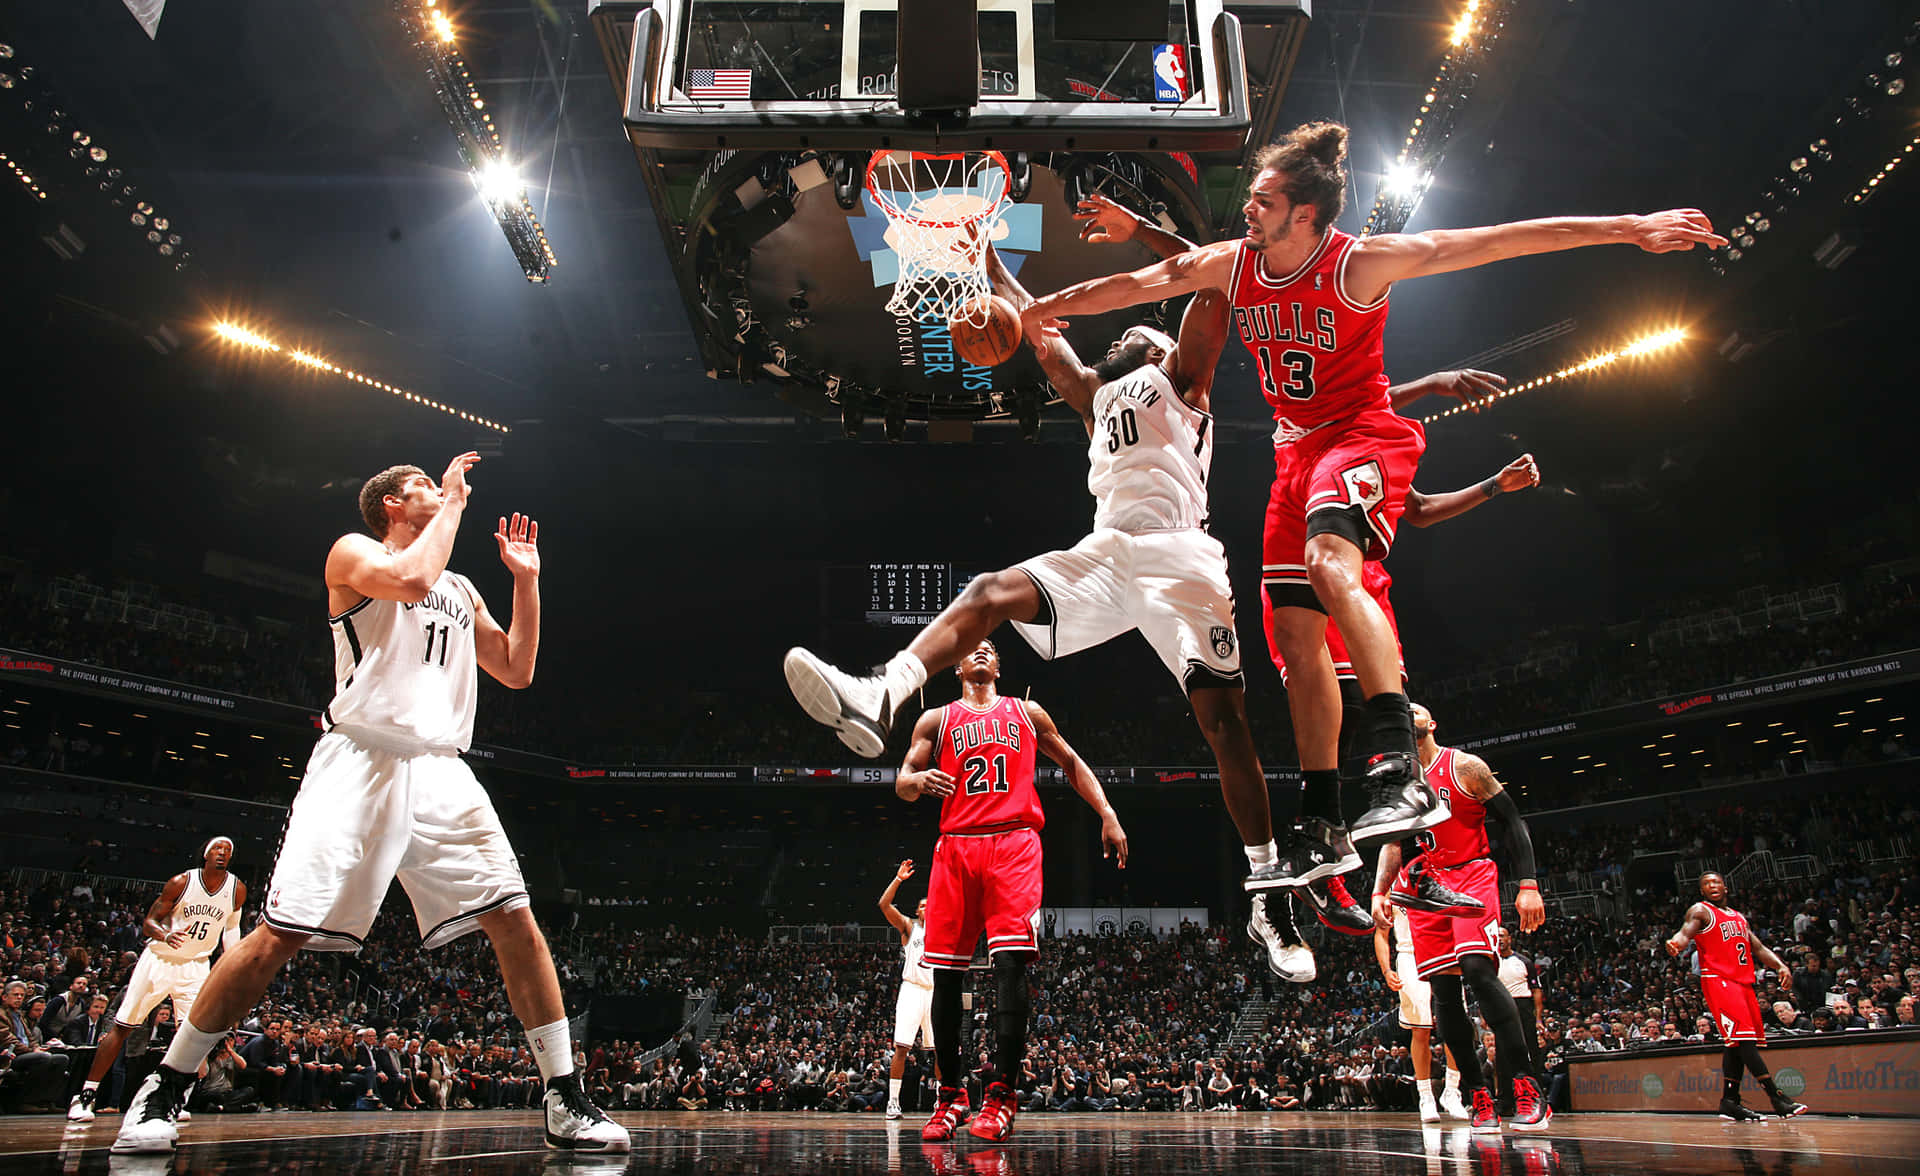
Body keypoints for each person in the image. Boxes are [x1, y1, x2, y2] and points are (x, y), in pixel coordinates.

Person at [1021, 120, 1723, 876]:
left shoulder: (1361, 264)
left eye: (1263, 200)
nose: (1248, 210)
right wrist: (1038, 311)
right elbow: (1134, 284)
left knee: (1329, 562)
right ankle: (1322, 815)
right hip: (1296, 452)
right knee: (1291, 631)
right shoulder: (1235, 264)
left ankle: (1395, 760)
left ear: (1307, 214)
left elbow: (1498, 238)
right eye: (1252, 199)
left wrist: (1633, 229)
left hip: (1362, 437)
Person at [786, 235, 1317, 983]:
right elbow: (1034, 324)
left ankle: (1268, 891)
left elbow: (1212, 283)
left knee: (1224, 723)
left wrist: (1144, 237)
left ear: (1160, 348)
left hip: (1179, 556)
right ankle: (884, 692)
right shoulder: (1096, 396)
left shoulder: (1184, 379)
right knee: (990, 591)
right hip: (1104, 553)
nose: (1124, 333)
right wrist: (984, 259)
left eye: (1137, 331)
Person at [112, 454, 625, 1155]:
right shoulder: (353, 554)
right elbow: (411, 577)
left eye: (437, 489)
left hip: (442, 768)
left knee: (516, 919)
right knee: (278, 935)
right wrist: (451, 505)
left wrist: (526, 584)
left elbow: (516, 668)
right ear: (391, 503)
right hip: (358, 759)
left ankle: (566, 1098)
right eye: (422, 487)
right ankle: (167, 1086)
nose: (440, 494)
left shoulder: (461, 585)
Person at [897, 640, 1127, 1144]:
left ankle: (1001, 1093)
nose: (981, 651)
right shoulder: (935, 720)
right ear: (958, 666)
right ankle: (950, 1096)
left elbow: (1070, 761)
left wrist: (1107, 813)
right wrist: (916, 780)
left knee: (1009, 966)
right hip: (955, 847)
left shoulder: (1026, 711)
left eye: (990, 648)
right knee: (946, 975)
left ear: (997, 665)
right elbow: (902, 781)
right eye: (972, 649)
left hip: (1014, 844)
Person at [1371, 703, 1550, 1133]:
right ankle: (1478, 1095)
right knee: (1444, 994)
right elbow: (1393, 845)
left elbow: (1512, 820)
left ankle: (1528, 1086)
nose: (1407, 710)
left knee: (1477, 969)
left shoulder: (1466, 766)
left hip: (1471, 873)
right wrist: (1379, 889)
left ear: (1432, 724)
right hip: (1428, 883)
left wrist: (1528, 883)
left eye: (1416, 708)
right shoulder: (1400, 782)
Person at [71, 837, 246, 1124]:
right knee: (124, 1026)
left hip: (196, 965)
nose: (222, 854)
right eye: (217, 849)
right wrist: (165, 934)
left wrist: (232, 960)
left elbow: (231, 929)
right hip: (160, 960)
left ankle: (174, 1099)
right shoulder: (181, 882)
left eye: (228, 851)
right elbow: (149, 922)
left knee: (193, 1036)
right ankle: (85, 1096)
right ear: (205, 853)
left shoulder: (236, 889)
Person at [1666, 871, 1810, 1121]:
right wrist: (1676, 944)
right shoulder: (1701, 911)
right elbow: (1685, 931)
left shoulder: (1737, 917)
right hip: (1719, 980)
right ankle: (1777, 1097)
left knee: (1735, 1043)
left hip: (1743, 982)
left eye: (1716, 882)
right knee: (1744, 1042)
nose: (1712, 886)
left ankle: (1730, 1101)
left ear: (1725, 887)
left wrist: (1780, 966)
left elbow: (1759, 948)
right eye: (1707, 883)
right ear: (1702, 890)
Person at [1372, 896, 1466, 1121]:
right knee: (1420, 1029)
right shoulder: (1390, 890)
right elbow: (1381, 934)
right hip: (1410, 955)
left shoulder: (1439, 877)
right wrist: (1386, 970)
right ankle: (1425, 1096)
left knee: (1456, 1028)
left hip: (1445, 953)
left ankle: (1452, 1091)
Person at [877, 859, 938, 1119]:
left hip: (935, 991)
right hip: (912, 989)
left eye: (929, 905)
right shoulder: (910, 927)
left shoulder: (944, 931)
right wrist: (898, 879)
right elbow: (883, 905)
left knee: (939, 1050)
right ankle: (893, 1102)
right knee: (902, 1047)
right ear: (918, 911)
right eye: (922, 906)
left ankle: (941, 1102)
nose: (926, 908)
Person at [1493, 926, 1544, 1117]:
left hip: (1522, 1007)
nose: (1500, 939)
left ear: (1510, 939)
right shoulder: (1491, 962)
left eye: (1502, 936)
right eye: (1496, 937)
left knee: (1530, 1052)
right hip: (1500, 1006)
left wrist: (1538, 1018)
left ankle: (1535, 1097)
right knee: (1502, 1056)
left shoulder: (1524, 961)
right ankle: (1505, 1101)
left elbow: (1537, 991)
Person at [1, 979, 71, 1112]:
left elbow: (30, 1037)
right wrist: (32, 1051)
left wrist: (36, 1047)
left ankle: (46, 1101)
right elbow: (9, 1040)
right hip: (10, 1057)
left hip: (27, 1054)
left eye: (22, 995)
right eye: (16, 995)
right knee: (43, 1058)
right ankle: (25, 1102)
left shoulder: (19, 1015)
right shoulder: (1, 1014)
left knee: (62, 1059)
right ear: (5, 997)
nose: (20, 998)